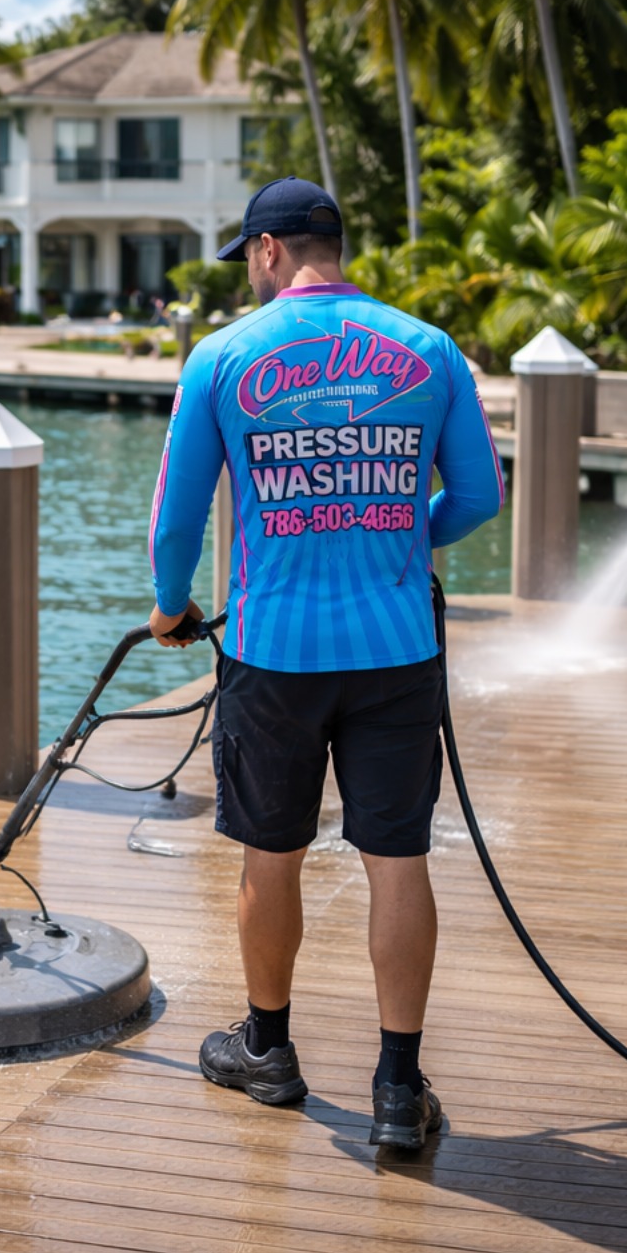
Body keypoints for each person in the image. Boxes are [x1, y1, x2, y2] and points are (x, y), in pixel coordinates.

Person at [145, 176, 504, 1149]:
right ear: (334, 248)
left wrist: (172, 608)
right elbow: (477, 497)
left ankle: (268, 1051)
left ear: (265, 252)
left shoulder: (221, 356)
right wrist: (401, 534)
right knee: (396, 860)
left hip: (274, 652)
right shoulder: (428, 351)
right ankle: (396, 1086)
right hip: (396, 648)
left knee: (273, 852)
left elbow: (175, 520)